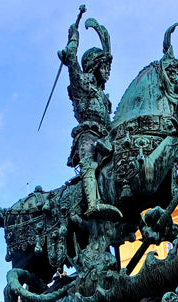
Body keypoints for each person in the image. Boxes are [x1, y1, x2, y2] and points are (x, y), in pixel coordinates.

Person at [58, 6, 118, 220]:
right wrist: (73, 39)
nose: (108, 72)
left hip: (106, 135)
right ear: (94, 65)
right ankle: (93, 204)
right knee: (89, 164)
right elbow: (72, 62)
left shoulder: (104, 97)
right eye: (105, 66)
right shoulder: (81, 83)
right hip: (87, 135)